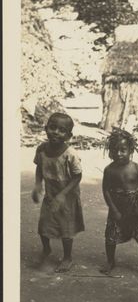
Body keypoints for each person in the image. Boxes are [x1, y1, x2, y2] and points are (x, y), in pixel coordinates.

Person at [101, 128, 138, 286]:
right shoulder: (109, 170)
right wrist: (113, 209)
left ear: (131, 150)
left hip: (135, 210)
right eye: (115, 150)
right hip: (117, 210)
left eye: (123, 150)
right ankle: (110, 262)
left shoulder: (137, 168)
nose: (119, 153)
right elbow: (105, 190)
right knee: (111, 238)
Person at [32, 112, 84, 272]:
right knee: (44, 226)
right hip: (50, 194)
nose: (56, 132)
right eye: (53, 127)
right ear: (46, 128)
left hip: (67, 196)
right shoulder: (41, 149)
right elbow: (39, 167)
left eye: (62, 130)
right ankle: (46, 249)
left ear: (68, 136)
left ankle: (67, 257)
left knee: (65, 228)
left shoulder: (70, 154)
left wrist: (62, 196)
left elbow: (77, 176)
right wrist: (37, 184)